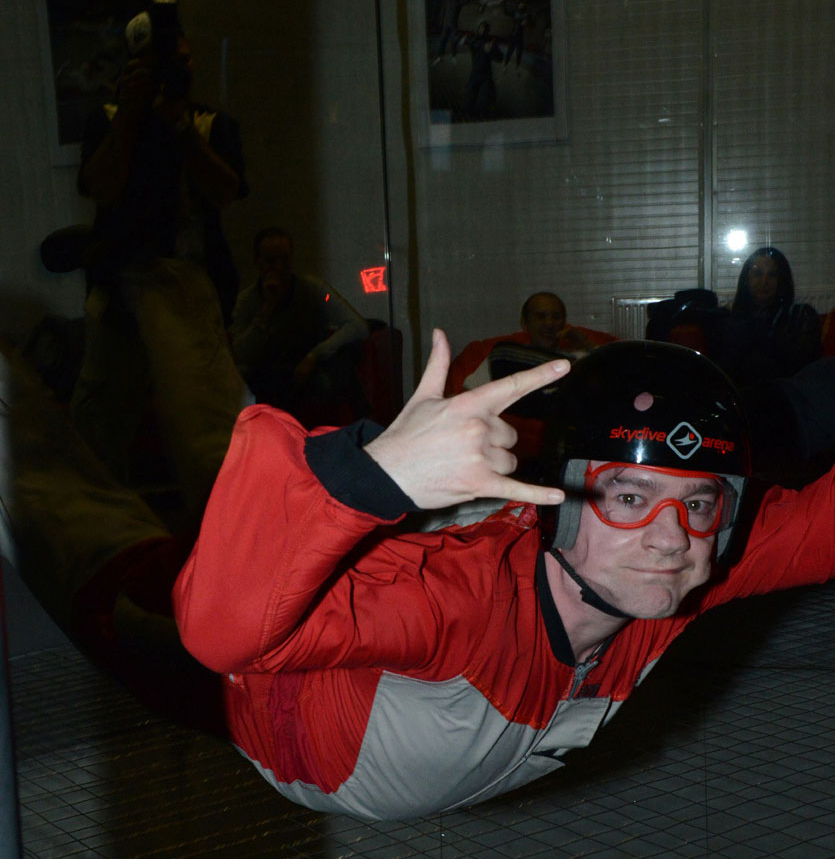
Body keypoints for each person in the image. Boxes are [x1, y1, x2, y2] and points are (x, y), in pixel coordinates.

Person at [172, 336, 835, 822]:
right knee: (164, 543)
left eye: (696, 505)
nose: (669, 539)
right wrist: (366, 476)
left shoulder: (677, 570)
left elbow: (819, 528)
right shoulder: (452, 601)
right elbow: (219, 637)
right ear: (566, 505)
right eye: (628, 499)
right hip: (271, 720)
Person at [70, 0, 247, 512]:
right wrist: (130, 113)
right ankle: (115, 548)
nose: (182, 69)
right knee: (98, 437)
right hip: (121, 302)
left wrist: (179, 127)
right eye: (169, 64)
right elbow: (101, 187)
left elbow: (226, 191)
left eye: (185, 61)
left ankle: (219, 543)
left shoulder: (208, 123)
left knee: (209, 440)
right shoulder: (110, 118)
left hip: (191, 297)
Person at [230, 228, 369, 422]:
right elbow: (239, 354)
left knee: (344, 363)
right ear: (258, 262)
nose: (279, 267)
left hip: (308, 374)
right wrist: (266, 311)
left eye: (285, 260)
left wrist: (315, 355)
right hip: (266, 376)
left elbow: (358, 326)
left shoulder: (312, 290)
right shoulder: (247, 301)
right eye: (271, 261)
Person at [446, 292, 615, 396]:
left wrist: (585, 343)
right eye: (540, 316)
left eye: (556, 317)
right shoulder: (504, 356)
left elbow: (619, 373)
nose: (549, 324)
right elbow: (465, 396)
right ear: (525, 323)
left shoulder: (578, 357)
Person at [722, 246, 821, 384]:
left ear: (781, 280)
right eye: (757, 273)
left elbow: (802, 370)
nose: (764, 282)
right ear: (747, 279)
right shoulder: (729, 322)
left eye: (772, 275)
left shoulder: (800, 317)